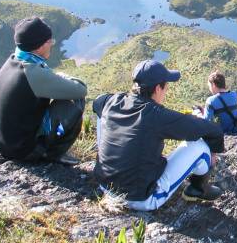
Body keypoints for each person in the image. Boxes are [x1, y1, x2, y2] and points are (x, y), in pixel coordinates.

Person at [93, 60, 225, 211]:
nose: (166, 91)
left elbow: (96, 102)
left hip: (104, 185)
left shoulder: (111, 100)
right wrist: (213, 152)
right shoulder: (157, 115)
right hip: (141, 198)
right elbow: (212, 130)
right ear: (157, 88)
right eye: (166, 86)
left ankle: (108, 164)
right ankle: (198, 189)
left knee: (101, 112)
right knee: (200, 147)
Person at [0, 17, 87, 165]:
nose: (52, 44)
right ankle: (51, 153)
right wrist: (60, 76)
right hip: (22, 151)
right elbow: (80, 90)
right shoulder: (33, 72)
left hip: (1, 142)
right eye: (50, 41)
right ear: (39, 46)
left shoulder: (14, 60)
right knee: (74, 101)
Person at [201, 71, 237, 136]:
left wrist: (198, 113)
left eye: (209, 86)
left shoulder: (210, 101)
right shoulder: (234, 94)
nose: (209, 89)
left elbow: (206, 122)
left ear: (214, 85)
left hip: (222, 136)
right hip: (236, 133)